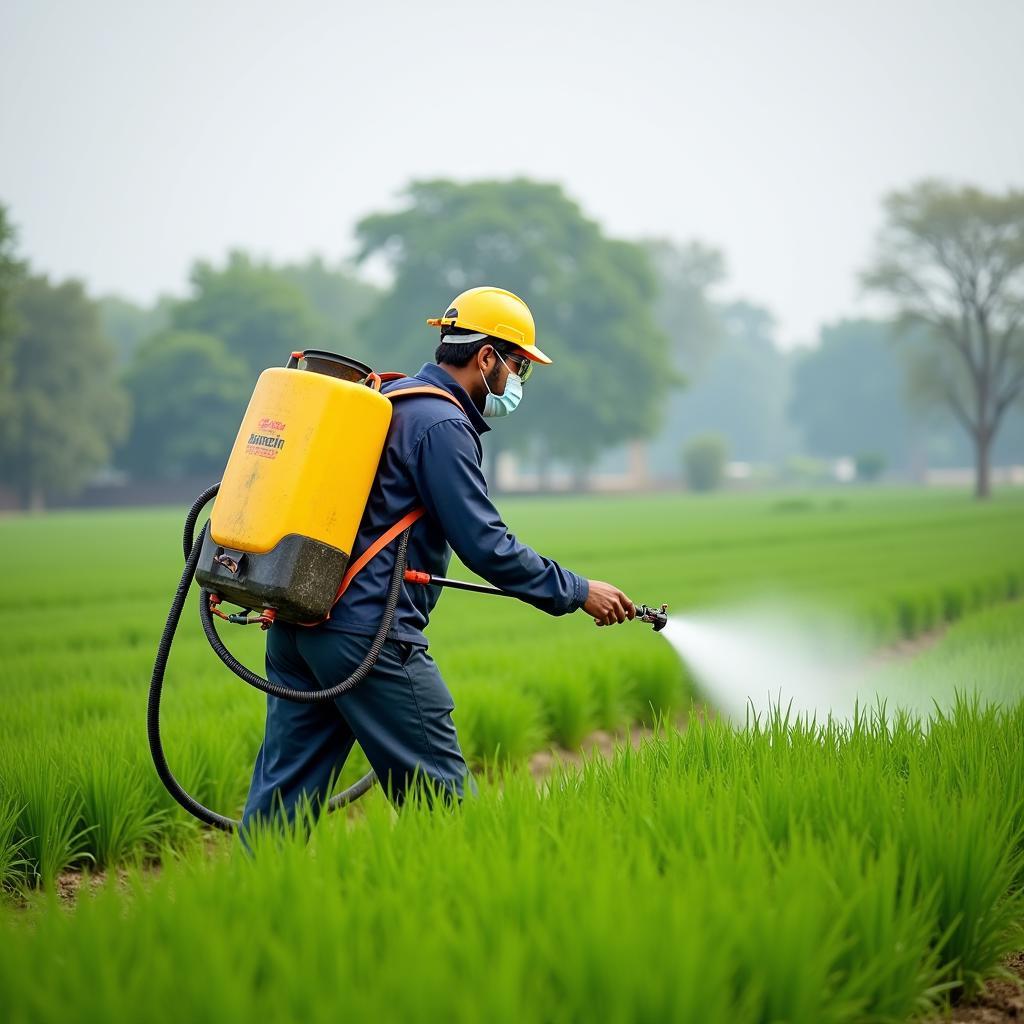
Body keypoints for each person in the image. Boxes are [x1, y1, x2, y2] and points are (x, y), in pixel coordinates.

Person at [241, 286, 636, 829]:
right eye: (519, 366)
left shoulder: (394, 400)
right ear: (486, 358)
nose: (518, 381)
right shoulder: (442, 425)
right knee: (448, 812)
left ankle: (252, 898)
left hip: (298, 623)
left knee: (280, 807)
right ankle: (478, 904)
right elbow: (486, 544)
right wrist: (577, 590)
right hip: (368, 640)